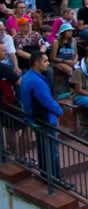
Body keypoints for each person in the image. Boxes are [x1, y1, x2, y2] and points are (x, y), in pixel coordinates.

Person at [21, 50, 62, 179]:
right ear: (36, 63)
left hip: (36, 118)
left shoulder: (28, 77)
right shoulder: (36, 81)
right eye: (45, 61)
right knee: (51, 150)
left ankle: (46, 175)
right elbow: (47, 100)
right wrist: (60, 111)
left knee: (43, 148)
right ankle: (54, 178)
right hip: (44, 119)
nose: (48, 63)